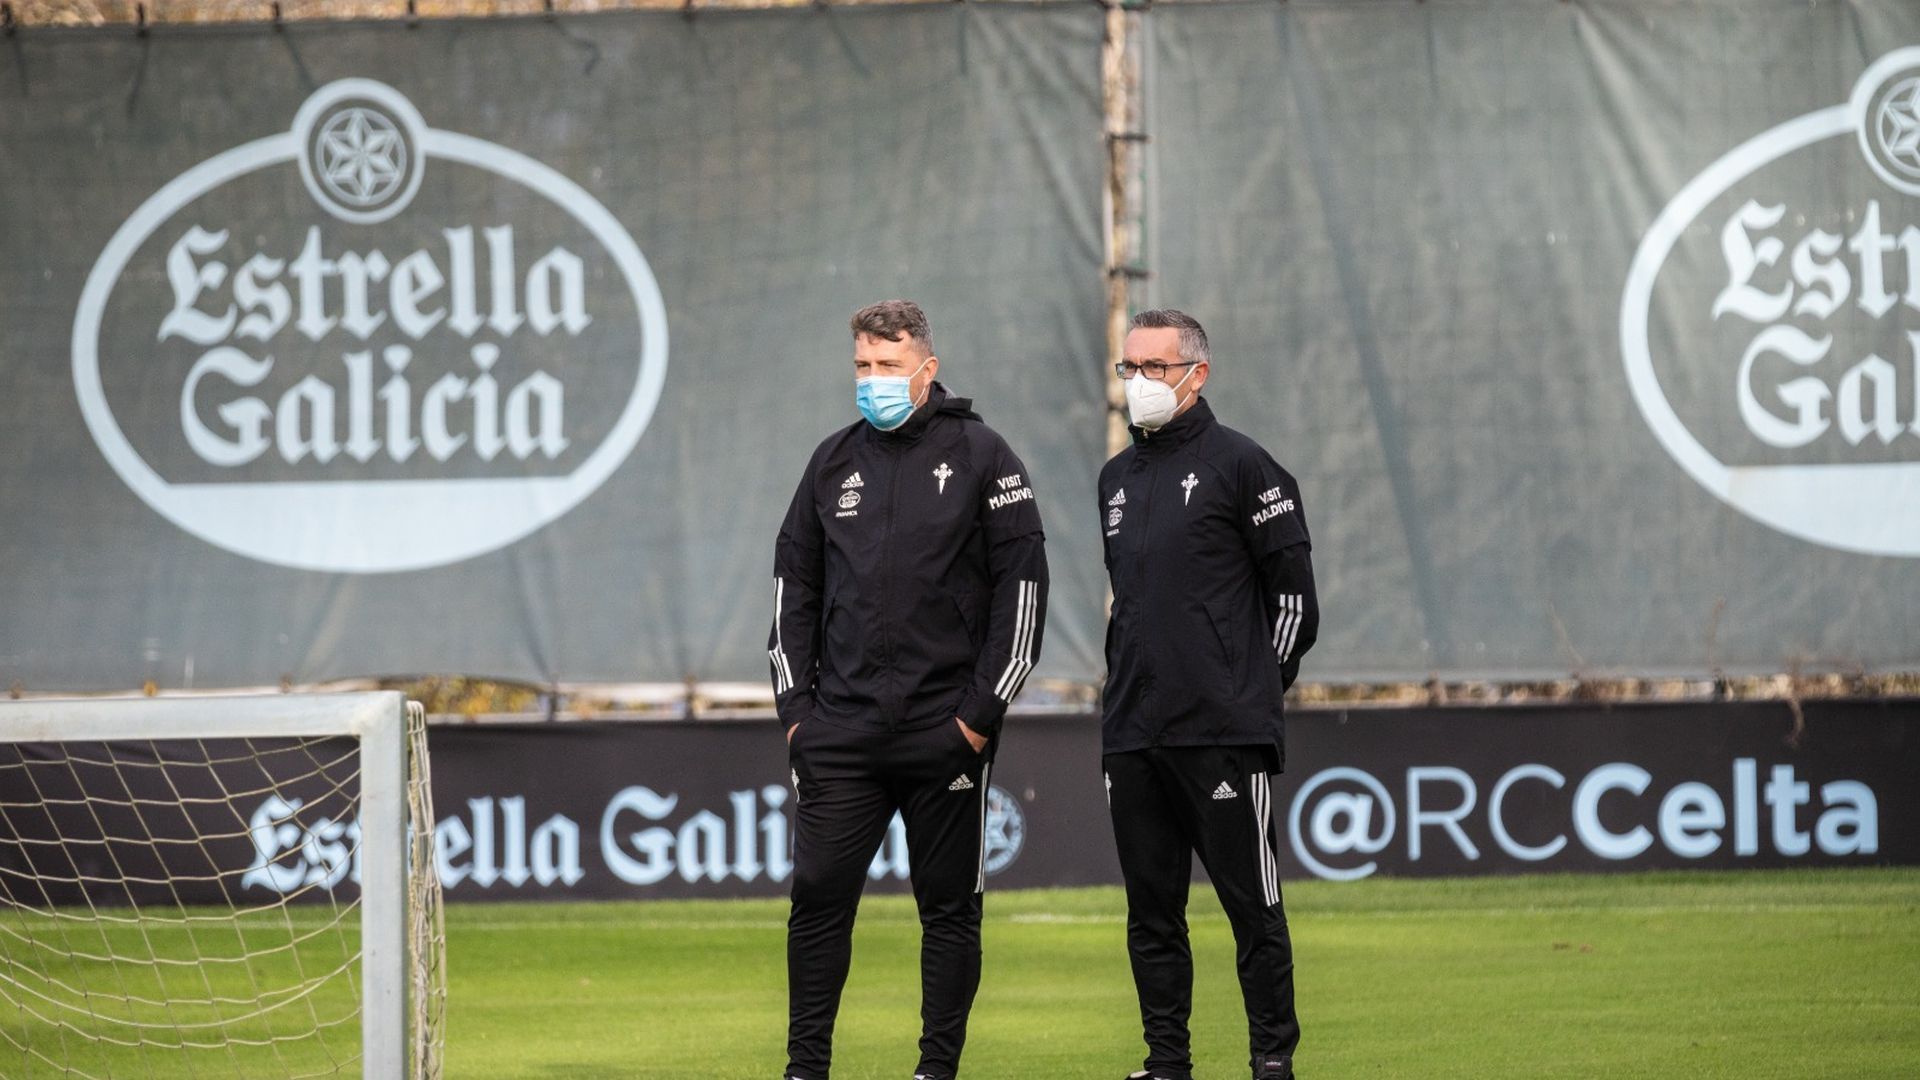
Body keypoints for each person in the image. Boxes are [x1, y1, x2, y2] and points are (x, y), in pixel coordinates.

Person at [770, 300, 1049, 1080]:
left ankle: (936, 1070)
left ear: (926, 369)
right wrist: (799, 718)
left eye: (888, 367)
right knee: (818, 899)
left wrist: (977, 718)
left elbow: (1022, 597)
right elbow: (791, 592)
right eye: (862, 366)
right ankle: (805, 1068)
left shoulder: (985, 456)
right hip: (841, 735)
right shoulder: (830, 463)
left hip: (944, 732)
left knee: (949, 908)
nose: (873, 381)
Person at [1097, 309, 1318, 1080]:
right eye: (1129, 368)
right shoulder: (1115, 480)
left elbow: (1295, 605)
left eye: (1154, 367)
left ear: (1197, 373)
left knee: (1252, 909)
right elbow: (1129, 606)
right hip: (1133, 733)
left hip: (1221, 731)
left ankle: (1271, 1061)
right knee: (1152, 915)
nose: (1139, 383)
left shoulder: (1246, 467)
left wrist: (1247, 690)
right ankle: (1167, 1063)